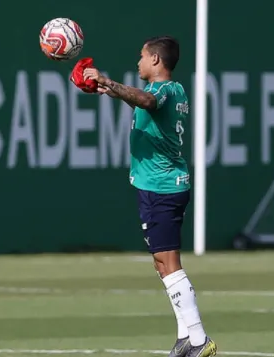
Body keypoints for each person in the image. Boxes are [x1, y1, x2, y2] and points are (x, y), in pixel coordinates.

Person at [83, 36, 217, 357]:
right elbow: (145, 103)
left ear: (156, 60)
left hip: (162, 187)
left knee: (168, 263)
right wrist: (111, 91)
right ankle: (186, 336)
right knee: (162, 263)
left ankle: (199, 340)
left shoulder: (164, 91)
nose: (137, 62)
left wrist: (107, 80)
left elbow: (147, 101)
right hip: (161, 186)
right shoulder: (173, 91)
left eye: (141, 56)